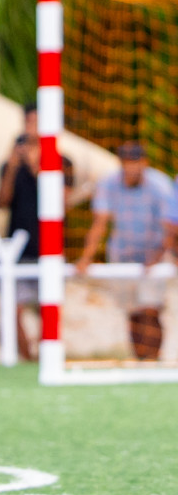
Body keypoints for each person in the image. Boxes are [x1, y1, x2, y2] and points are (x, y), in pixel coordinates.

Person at [78, 141, 173, 360]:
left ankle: (153, 359)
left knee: (151, 309)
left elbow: (170, 226)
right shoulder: (108, 184)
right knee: (133, 312)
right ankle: (140, 359)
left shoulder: (160, 185)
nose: (130, 168)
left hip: (154, 255)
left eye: (135, 162)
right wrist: (86, 258)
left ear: (144, 162)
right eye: (126, 162)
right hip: (122, 256)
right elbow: (99, 224)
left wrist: (157, 257)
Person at [0, 105, 42, 360]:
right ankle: (28, 359)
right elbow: (2, 202)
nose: (30, 128)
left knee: (49, 309)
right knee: (13, 310)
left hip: (46, 249)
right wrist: (14, 167)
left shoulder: (59, 161)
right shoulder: (10, 165)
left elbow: (60, 202)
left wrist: (34, 167)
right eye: (28, 122)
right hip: (17, 248)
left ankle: (48, 356)